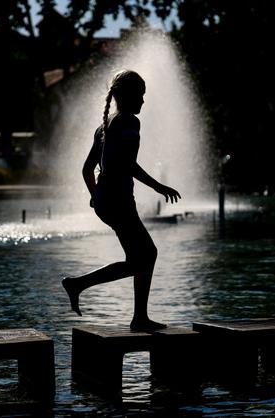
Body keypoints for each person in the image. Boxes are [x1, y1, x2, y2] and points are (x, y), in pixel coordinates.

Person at [62, 69, 181, 332]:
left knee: (141, 256)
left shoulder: (102, 127)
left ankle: (136, 315)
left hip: (108, 201)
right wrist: (159, 186)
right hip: (119, 201)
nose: (143, 101)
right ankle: (80, 285)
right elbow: (128, 164)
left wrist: (96, 197)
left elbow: (86, 169)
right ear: (127, 96)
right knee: (146, 255)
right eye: (140, 95)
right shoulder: (128, 121)